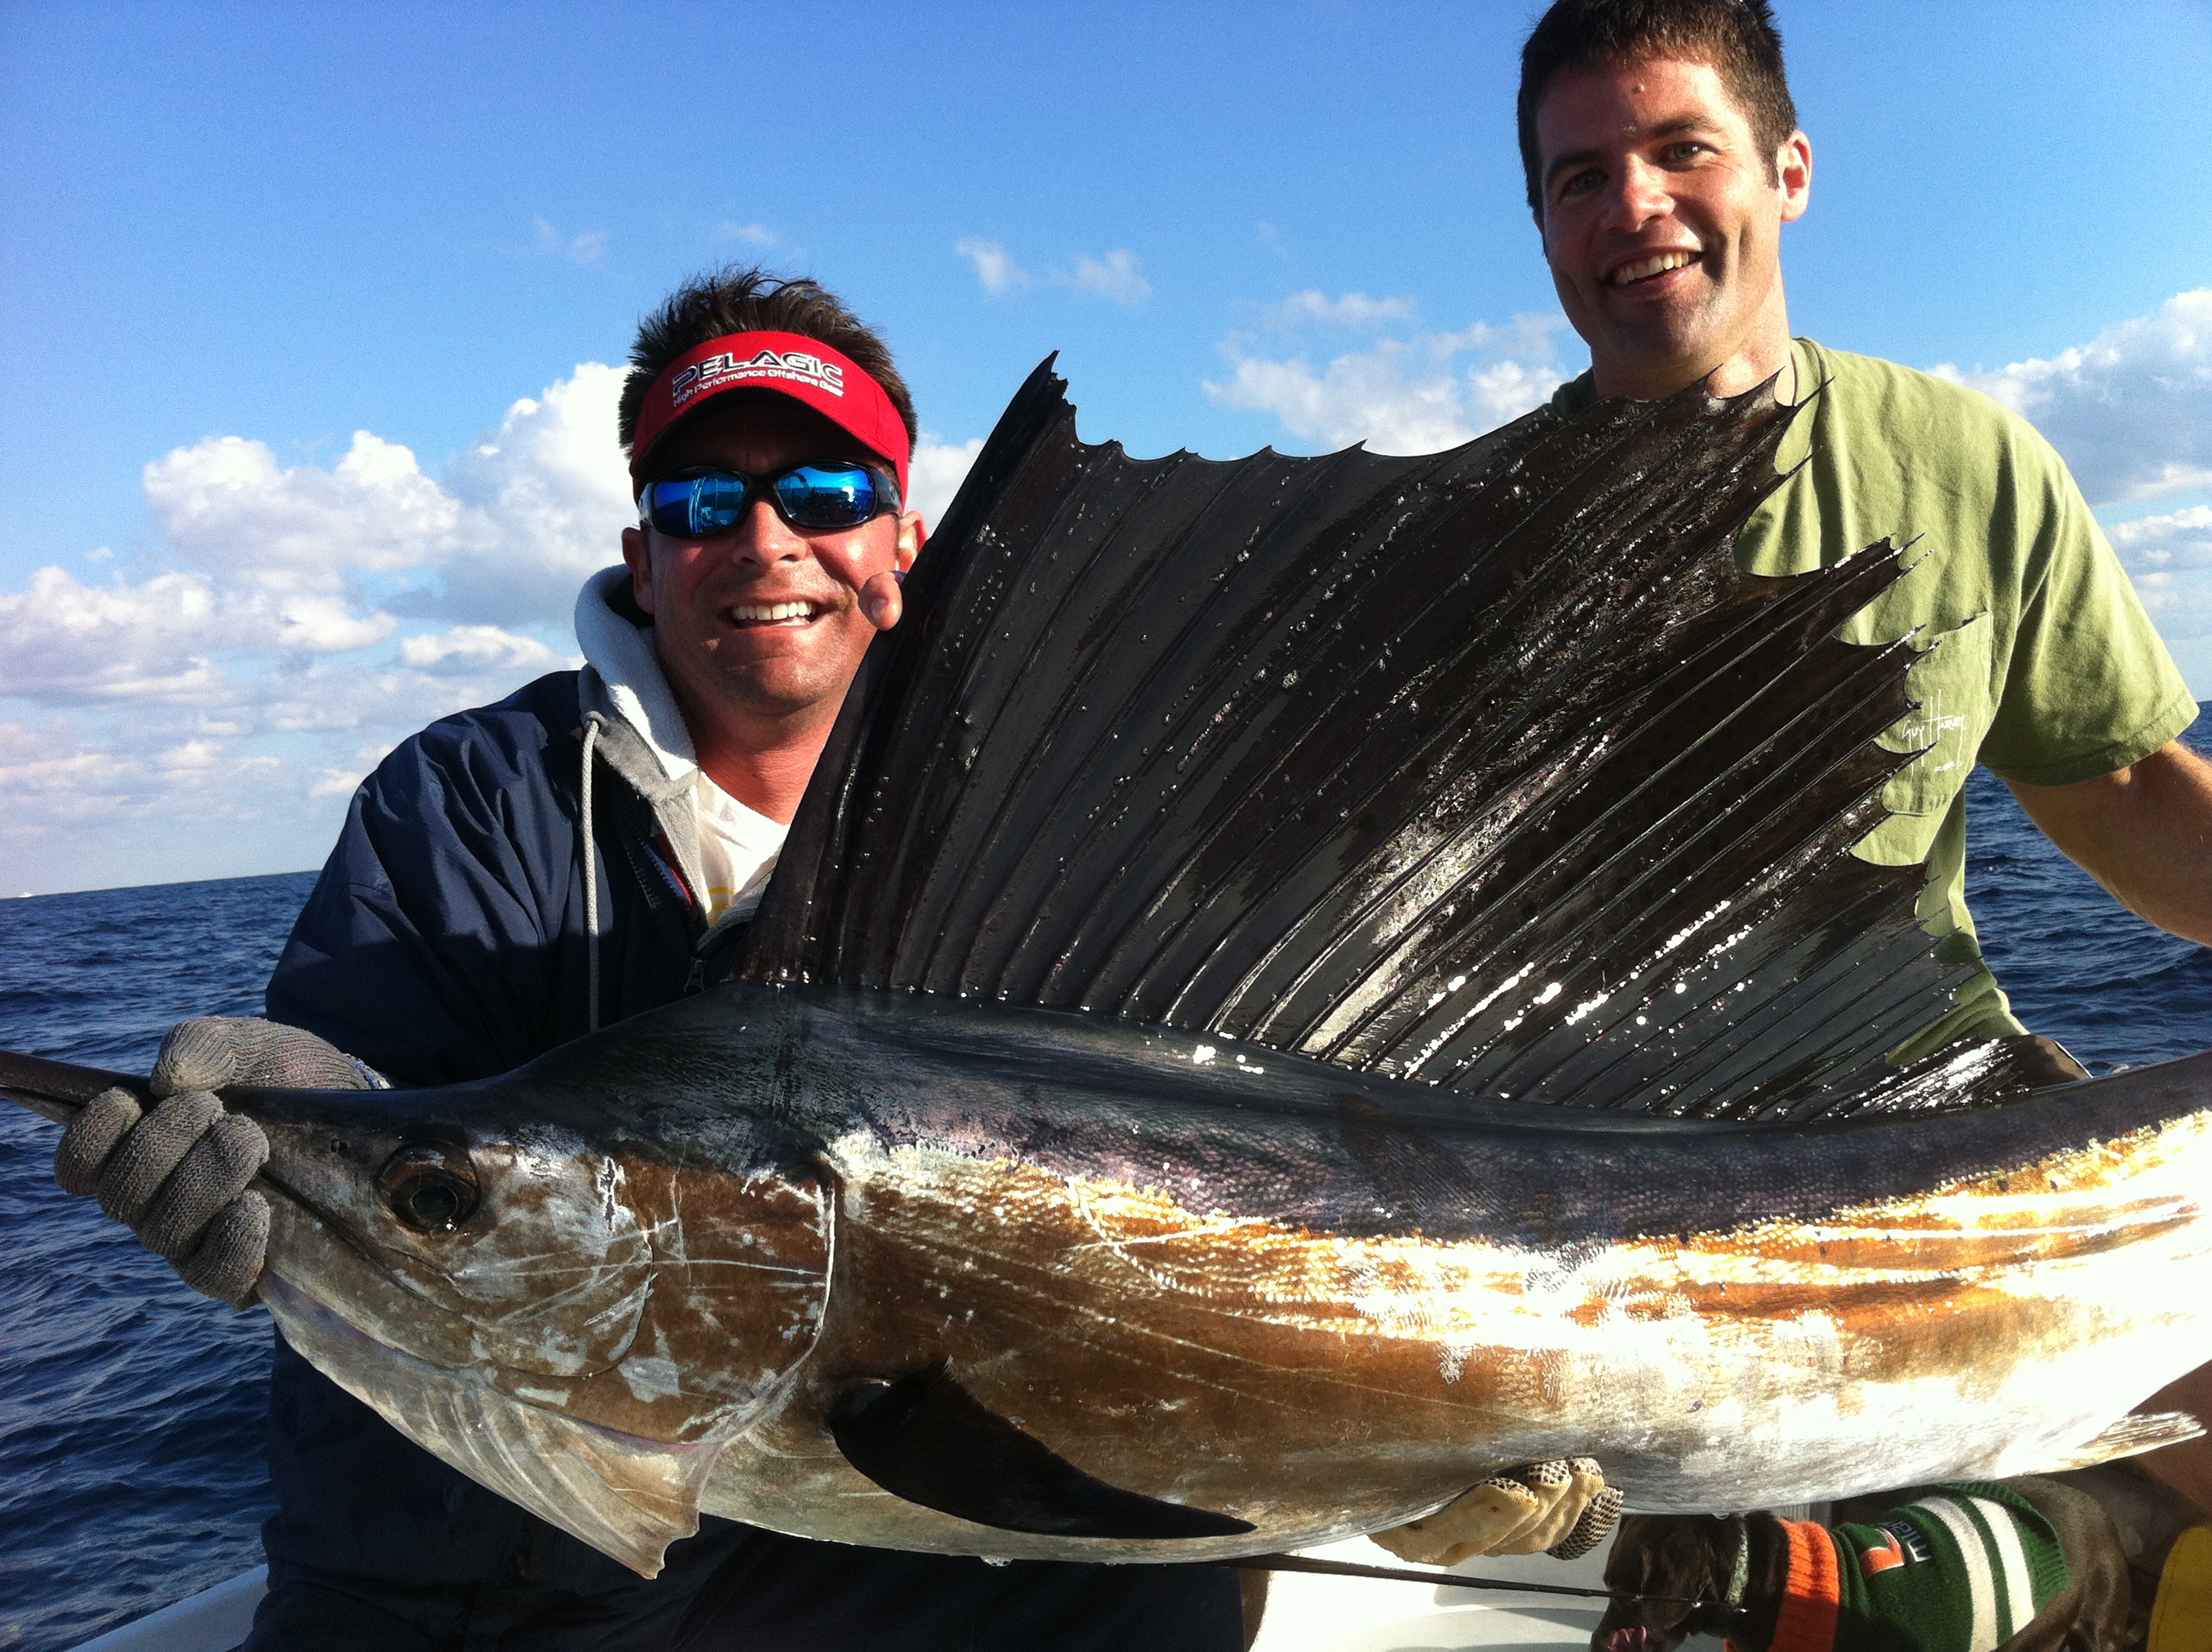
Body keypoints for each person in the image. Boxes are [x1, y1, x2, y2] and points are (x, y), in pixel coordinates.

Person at [51, 267, 1256, 1649]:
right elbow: (390, 1106)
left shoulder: (1047, 824)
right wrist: (311, 1110)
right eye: (701, 503)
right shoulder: (460, 800)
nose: (764, 538)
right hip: (505, 1565)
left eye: (823, 493)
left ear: (904, 537)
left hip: (885, 1509)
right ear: (643, 554)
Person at [1509, 0, 2212, 1527]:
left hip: (1933, 1125)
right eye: (1578, 177)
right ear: (1545, 229)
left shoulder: (1965, 462)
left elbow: (2120, 791)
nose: (1631, 202)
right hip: (1575, 1211)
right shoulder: (1483, 548)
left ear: (1789, 170)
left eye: (1679, 148)